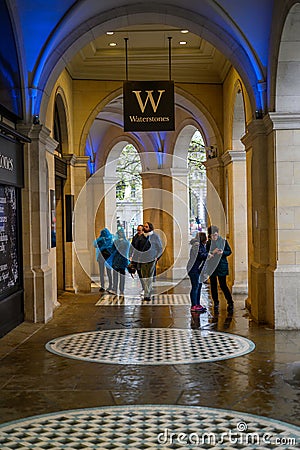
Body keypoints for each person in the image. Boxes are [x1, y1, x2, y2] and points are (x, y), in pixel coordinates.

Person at [206, 225, 233, 312]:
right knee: (213, 285)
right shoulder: (209, 243)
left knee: (223, 285)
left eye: (215, 235)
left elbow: (229, 251)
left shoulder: (223, 241)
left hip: (221, 265)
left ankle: (230, 302)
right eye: (212, 235)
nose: (214, 237)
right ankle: (216, 302)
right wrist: (212, 252)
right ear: (210, 235)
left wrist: (222, 252)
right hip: (212, 266)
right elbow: (206, 254)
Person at [135, 222, 163, 301]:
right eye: (144, 226)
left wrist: (157, 257)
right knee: (144, 276)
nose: (145, 228)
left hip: (151, 259)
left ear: (150, 227)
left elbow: (160, 248)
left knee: (149, 277)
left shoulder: (155, 237)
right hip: (143, 259)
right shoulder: (141, 237)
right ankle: (147, 290)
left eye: (146, 226)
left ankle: (147, 294)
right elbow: (136, 248)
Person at [187, 231, 208, 313]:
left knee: (198, 286)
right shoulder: (197, 245)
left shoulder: (200, 245)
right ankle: (194, 305)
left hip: (197, 269)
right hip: (194, 269)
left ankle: (197, 304)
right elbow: (200, 255)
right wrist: (209, 254)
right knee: (195, 286)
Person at [108, 227, 130, 296]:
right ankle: (121, 291)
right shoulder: (127, 242)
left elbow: (111, 250)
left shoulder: (116, 242)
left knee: (115, 276)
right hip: (123, 261)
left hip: (116, 261)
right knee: (122, 276)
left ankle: (114, 289)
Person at [93, 228, 114, 293]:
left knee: (101, 272)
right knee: (109, 272)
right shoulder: (111, 239)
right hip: (108, 257)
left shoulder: (101, 239)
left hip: (101, 257)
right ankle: (110, 285)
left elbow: (95, 244)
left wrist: (100, 239)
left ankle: (102, 286)